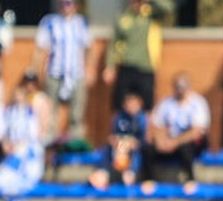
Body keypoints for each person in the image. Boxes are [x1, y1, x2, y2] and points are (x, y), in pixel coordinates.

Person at [36, 0, 92, 145]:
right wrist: (40, 71)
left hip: (76, 73)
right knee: (51, 113)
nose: (66, 7)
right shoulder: (50, 22)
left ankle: (75, 147)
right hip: (54, 73)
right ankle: (50, 146)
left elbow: (87, 48)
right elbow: (42, 49)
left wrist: (88, 69)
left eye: (69, 3)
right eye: (63, 3)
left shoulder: (82, 22)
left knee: (77, 114)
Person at [104, 0, 169, 125]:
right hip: (126, 65)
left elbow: (168, 9)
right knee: (118, 103)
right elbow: (113, 43)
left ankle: (145, 134)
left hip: (146, 66)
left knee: (148, 106)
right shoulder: (124, 17)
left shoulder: (152, 14)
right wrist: (109, 66)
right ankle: (118, 133)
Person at [148, 74, 210, 189]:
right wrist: (161, 141)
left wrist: (176, 142)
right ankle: (148, 180)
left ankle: (190, 180)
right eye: (178, 87)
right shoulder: (166, 103)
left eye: (183, 87)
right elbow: (157, 126)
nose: (180, 90)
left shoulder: (198, 103)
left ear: (189, 87)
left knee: (186, 148)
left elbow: (197, 131)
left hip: (190, 143)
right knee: (148, 148)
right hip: (170, 142)